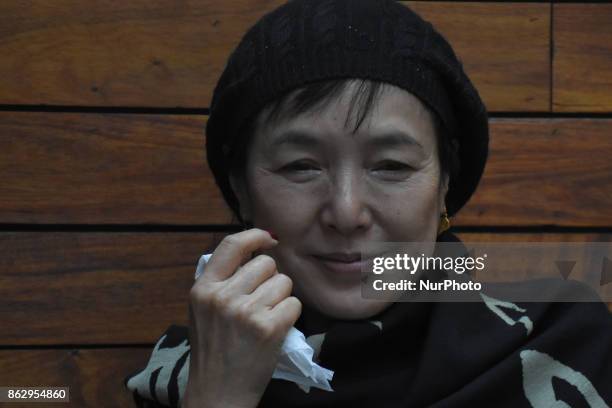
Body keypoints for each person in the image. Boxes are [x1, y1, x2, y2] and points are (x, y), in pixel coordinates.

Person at [124, 1, 612, 407]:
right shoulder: (191, 374)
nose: (346, 212)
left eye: (392, 167)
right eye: (300, 166)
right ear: (242, 191)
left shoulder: (563, 339)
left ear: (445, 185)